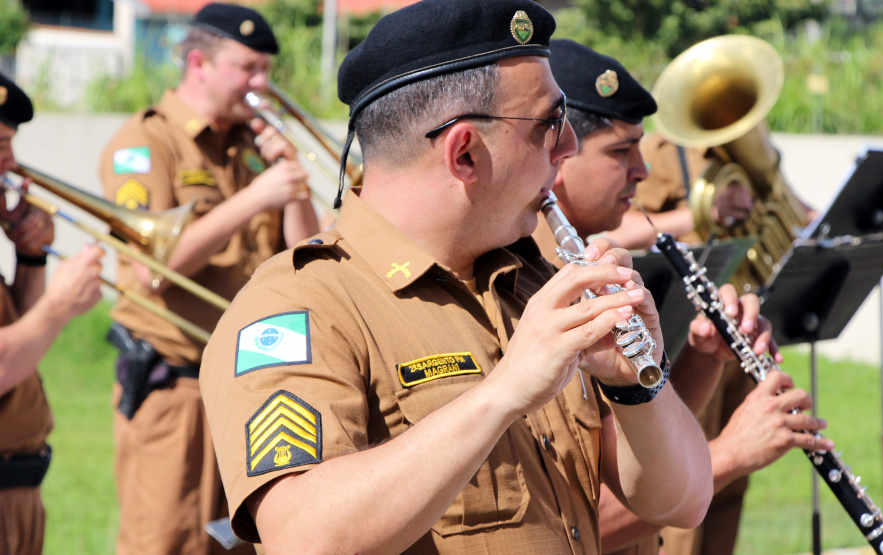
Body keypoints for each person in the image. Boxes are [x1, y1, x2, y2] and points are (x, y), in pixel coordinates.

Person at [199, 0, 716, 553]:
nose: (566, 149)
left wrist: (637, 384)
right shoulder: (299, 304)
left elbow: (679, 502)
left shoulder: (531, 282)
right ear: (465, 152)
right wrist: (505, 392)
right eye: (550, 124)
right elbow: (301, 537)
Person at [540, 39, 833, 555]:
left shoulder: (591, 267)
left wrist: (704, 356)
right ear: (559, 154)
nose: (642, 170)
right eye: (619, 151)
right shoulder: (538, 286)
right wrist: (729, 454)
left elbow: (639, 437)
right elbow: (573, 523)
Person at [97, 4, 321, 554]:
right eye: (247, 68)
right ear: (199, 63)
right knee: (168, 543)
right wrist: (253, 199)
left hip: (256, 382)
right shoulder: (147, 143)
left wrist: (288, 182)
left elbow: (307, 261)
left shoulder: (252, 143)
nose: (261, 86)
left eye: (266, 70)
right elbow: (150, 271)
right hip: (176, 389)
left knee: (246, 544)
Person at [0, 71, 104, 555]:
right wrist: (61, 306)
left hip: (19, 488)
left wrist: (31, 257)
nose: (12, 163)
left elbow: (20, 335)